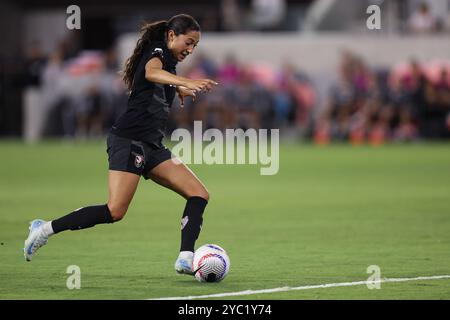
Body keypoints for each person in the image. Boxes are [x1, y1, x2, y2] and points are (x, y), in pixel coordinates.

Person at [23, 14, 219, 276]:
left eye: (195, 45)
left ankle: (185, 258)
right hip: (129, 140)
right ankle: (44, 229)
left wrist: (178, 89)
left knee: (199, 194)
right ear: (172, 35)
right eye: (189, 42)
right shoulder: (157, 50)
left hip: (152, 145)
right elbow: (151, 72)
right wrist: (184, 82)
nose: (191, 49)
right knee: (115, 211)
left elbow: (154, 81)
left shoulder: (170, 62)